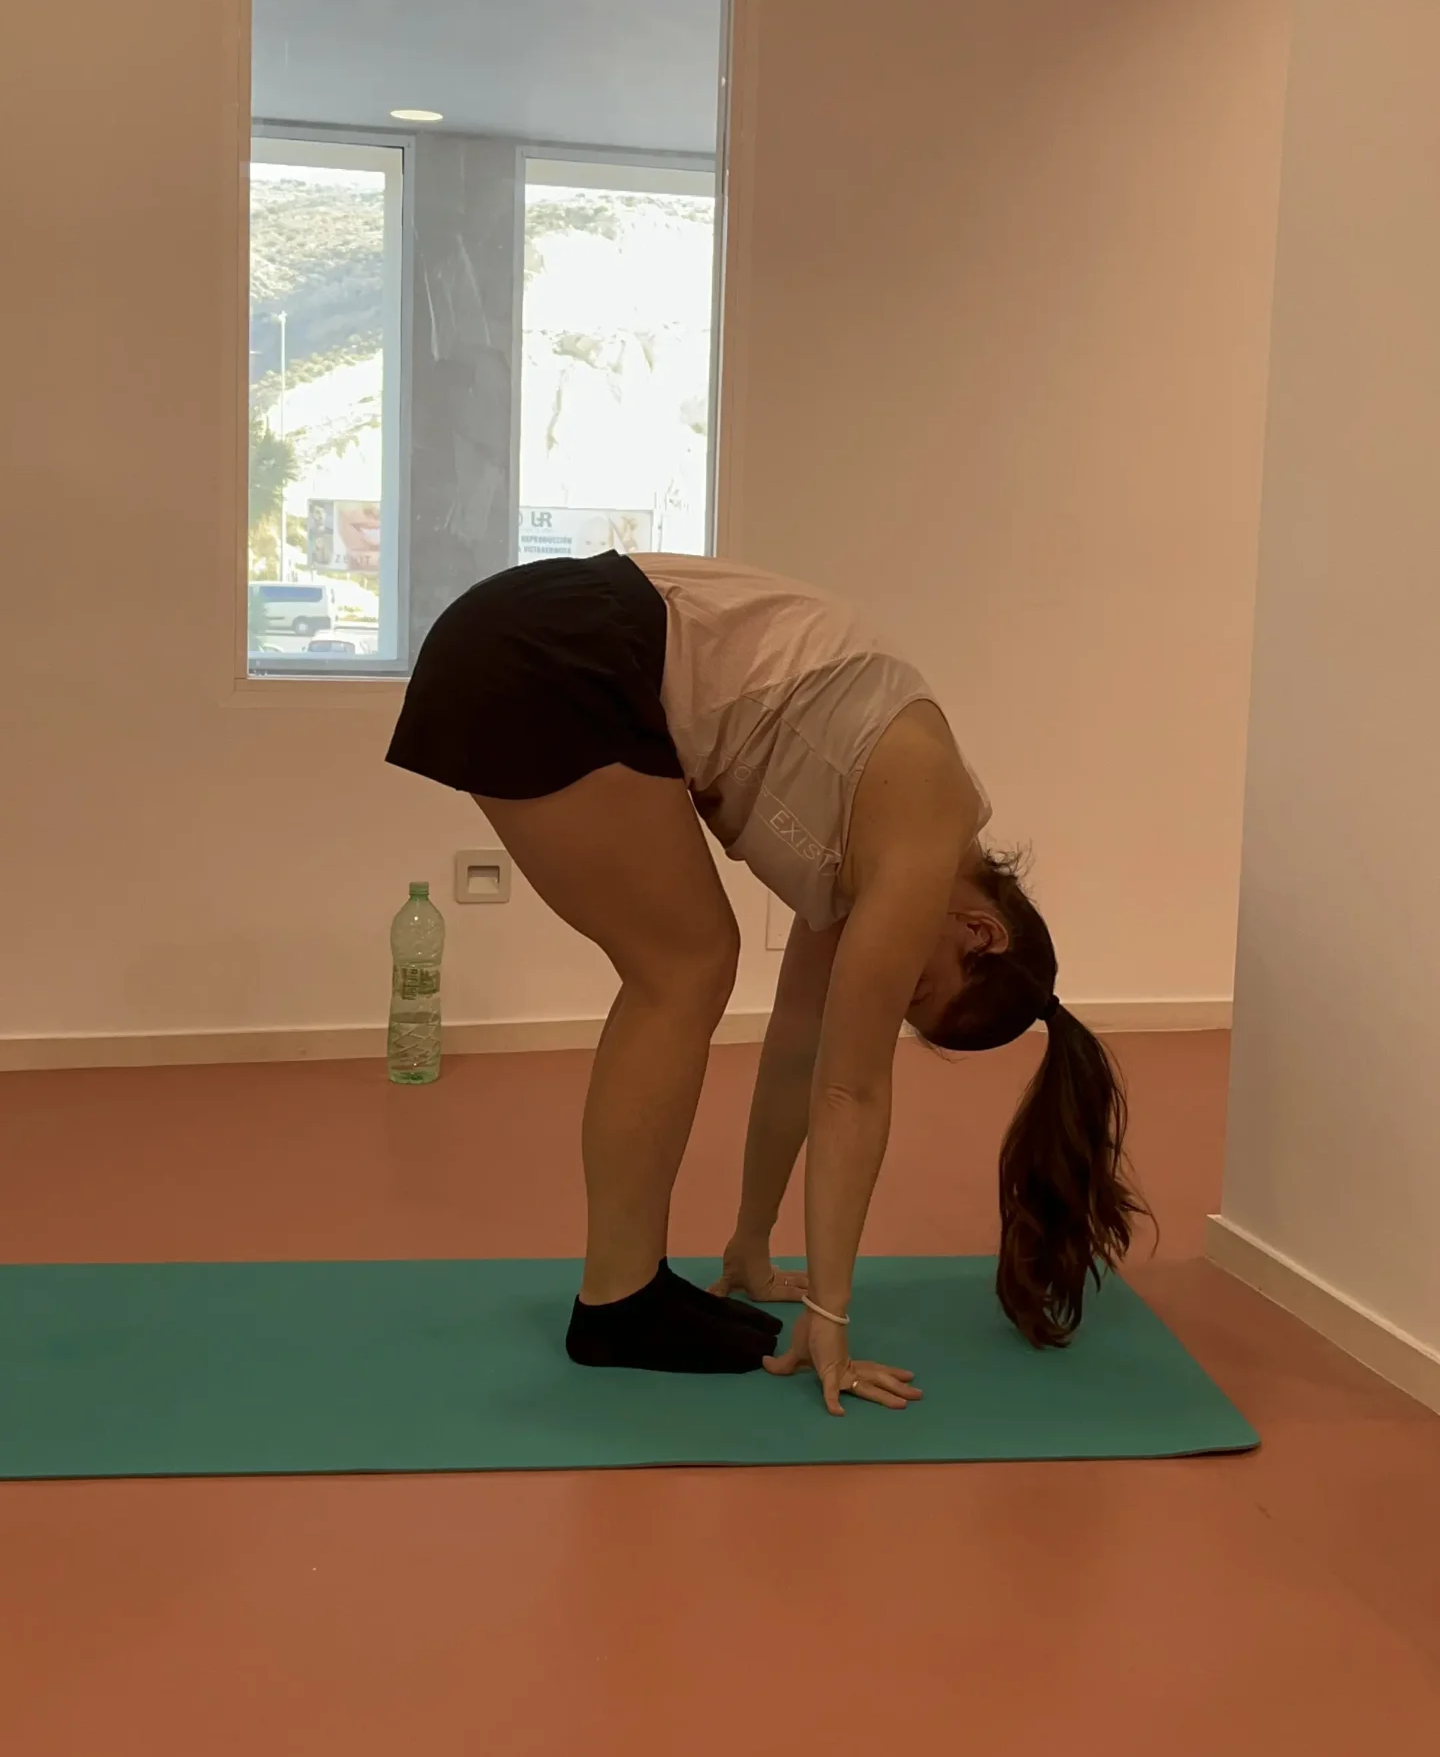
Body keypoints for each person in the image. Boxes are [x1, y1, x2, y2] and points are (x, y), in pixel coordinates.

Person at [386, 551, 1143, 1415]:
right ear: (981, 932)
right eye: (916, 991)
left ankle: (630, 1290)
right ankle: (619, 1305)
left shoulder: (877, 845)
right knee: (685, 965)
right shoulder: (923, 833)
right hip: (558, 646)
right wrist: (831, 1321)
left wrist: (752, 1243)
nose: (889, 990)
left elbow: (799, 1051)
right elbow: (853, 1090)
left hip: (548, 639)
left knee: (689, 963)